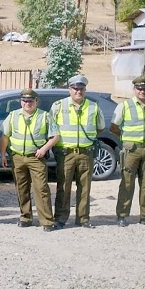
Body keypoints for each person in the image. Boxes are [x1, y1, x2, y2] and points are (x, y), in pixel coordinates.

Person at [0, 89, 59, 232]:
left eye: (30, 101)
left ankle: (47, 221)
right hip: (17, 157)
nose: (27, 103)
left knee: (41, 189)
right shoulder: (13, 115)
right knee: (21, 188)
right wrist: (2, 155)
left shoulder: (45, 116)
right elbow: (5, 136)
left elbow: (55, 136)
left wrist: (43, 149)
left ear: (36, 102)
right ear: (21, 101)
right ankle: (25, 217)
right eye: (25, 101)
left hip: (36, 158)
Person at [110, 75, 145, 228]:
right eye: (139, 88)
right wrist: (127, 139)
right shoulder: (125, 106)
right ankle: (122, 215)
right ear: (134, 89)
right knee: (127, 184)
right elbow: (114, 127)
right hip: (131, 150)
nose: (142, 91)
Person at [50, 75, 104, 229]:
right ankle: (60, 219)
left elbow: (100, 127)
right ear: (69, 89)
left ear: (85, 90)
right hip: (65, 153)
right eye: (75, 88)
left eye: (81, 88)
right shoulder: (58, 106)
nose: (78, 91)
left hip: (86, 152)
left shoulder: (93, 106)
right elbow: (52, 128)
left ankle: (83, 219)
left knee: (85, 187)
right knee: (64, 187)